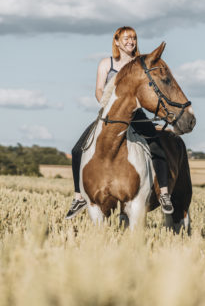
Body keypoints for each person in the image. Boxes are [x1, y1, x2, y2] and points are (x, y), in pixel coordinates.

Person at [65, 26, 173, 219]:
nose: (130, 41)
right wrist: (107, 106)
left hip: (136, 115)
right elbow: (98, 89)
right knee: (76, 150)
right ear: (116, 41)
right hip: (110, 115)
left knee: (157, 145)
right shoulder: (106, 63)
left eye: (133, 38)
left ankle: (164, 193)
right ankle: (79, 196)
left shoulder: (140, 64)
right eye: (126, 38)